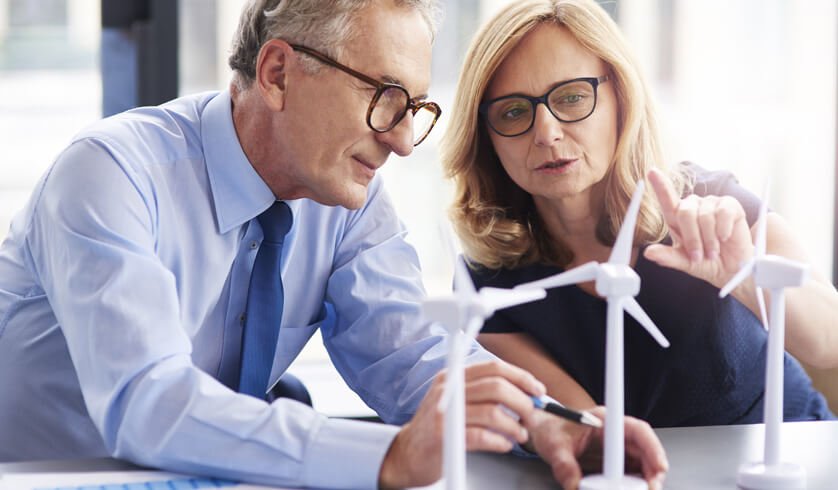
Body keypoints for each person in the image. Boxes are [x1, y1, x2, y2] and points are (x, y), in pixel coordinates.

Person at [0, 0, 667, 489]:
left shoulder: (347, 199)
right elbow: (147, 403)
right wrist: (385, 458)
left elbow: (411, 351)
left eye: (415, 109)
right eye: (386, 97)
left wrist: (550, 424)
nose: (404, 140)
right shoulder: (111, 174)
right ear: (279, 73)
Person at [441, 0, 838, 431]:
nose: (547, 133)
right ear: (485, 136)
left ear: (621, 98)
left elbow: (829, 342)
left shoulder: (714, 204)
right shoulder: (489, 283)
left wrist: (745, 275)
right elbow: (589, 433)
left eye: (572, 97)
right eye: (514, 111)